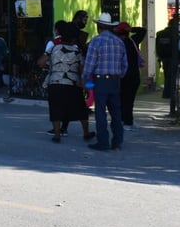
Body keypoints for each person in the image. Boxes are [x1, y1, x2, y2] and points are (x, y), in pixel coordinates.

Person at [82, 12, 128, 151]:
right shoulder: (119, 42)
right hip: (115, 81)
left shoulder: (96, 42)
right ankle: (117, 141)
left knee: (100, 112)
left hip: (100, 81)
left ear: (100, 27)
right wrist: (118, 76)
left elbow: (89, 64)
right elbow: (125, 65)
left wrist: (85, 78)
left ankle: (103, 142)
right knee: (116, 112)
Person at [47, 23, 95, 143]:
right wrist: (86, 86)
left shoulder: (54, 48)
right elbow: (82, 70)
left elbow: (41, 63)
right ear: (74, 38)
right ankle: (86, 133)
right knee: (81, 110)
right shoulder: (77, 51)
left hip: (55, 82)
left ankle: (57, 135)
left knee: (56, 108)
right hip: (72, 83)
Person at [115, 21, 146, 130]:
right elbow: (143, 31)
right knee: (128, 100)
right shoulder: (132, 41)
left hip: (123, 75)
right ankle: (127, 121)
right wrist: (131, 29)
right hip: (132, 75)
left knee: (123, 99)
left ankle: (126, 120)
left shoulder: (117, 42)